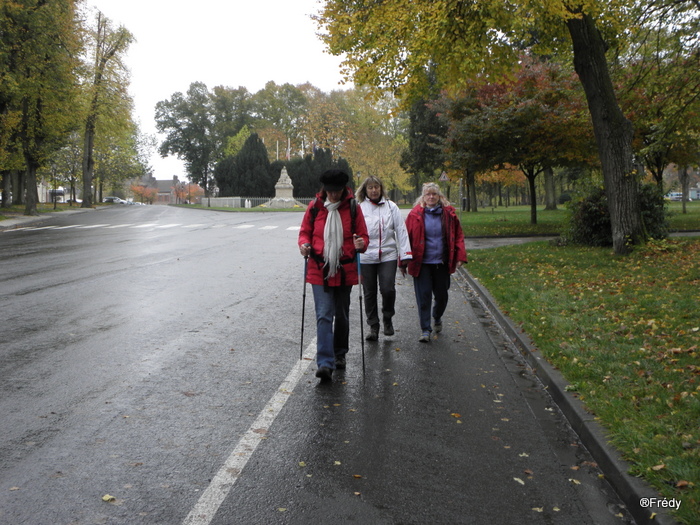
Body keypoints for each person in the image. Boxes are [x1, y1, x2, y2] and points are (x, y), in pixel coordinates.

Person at [298, 169, 369, 382]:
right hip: (319, 269)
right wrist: (304, 245)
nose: (333, 196)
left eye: (337, 191)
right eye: (330, 191)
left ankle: (340, 353)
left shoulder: (353, 208)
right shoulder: (315, 207)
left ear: (343, 189)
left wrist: (361, 243)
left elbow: (364, 236)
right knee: (324, 315)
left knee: (342, 315)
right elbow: (304, 232)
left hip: (345, 270)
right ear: (324, 190)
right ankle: (325, 364)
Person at [404, 182, 467, 342]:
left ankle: (437, 316)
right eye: (428, 194)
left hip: (441, 262)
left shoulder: (449, 214)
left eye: (434, 194)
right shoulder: (414, 215)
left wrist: (460, 256)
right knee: (423, 297)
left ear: (439, 196)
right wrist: (403, 260)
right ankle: (425, 329)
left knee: (442, 295)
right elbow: (406, 238)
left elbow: (458, 235)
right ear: (423, 197)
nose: (431, 197)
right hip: (421, 263)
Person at [356, 176, 412, 341]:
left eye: (376, 187)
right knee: (369, 292)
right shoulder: (360, 208)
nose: (374, 190)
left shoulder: (391, 206)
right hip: (366, 256)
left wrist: (405, 255)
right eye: (370, 188)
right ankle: (373, 325)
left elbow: (401, 230)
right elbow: (353, 232)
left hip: (388, 254)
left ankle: (387, 318)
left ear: (381, 189)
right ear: (365, 190)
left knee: (388, 289)